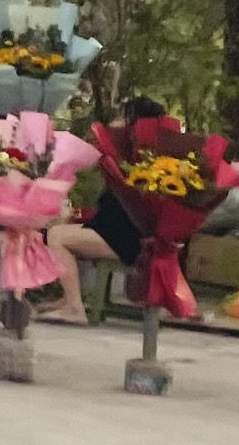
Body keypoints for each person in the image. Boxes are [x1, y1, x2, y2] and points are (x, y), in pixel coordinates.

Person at [42, 97, 168, 324]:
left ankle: (74, 307)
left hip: (127, 240)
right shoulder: (142, 156)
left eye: (122, 116)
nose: (115, 121)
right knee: (59, 229)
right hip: (121, 233)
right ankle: (68, 298)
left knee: (57, 236)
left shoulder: (136, 159)